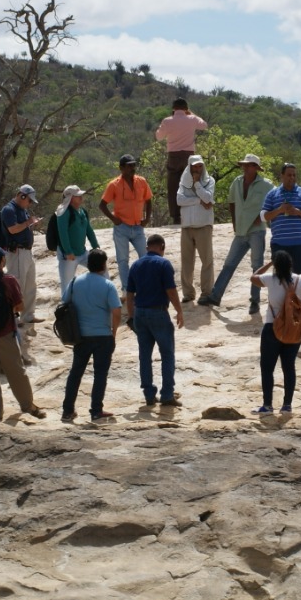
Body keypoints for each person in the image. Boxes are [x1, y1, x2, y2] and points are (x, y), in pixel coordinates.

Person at [250, 251, 301, 415]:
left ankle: (268, 405)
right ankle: (287, 405)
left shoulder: (270, 279)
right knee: (289, 367)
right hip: (294, 328)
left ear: (276, 266)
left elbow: (253, 277)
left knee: (267, 368)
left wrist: (270, 263)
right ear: (291, 265)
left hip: (272, 327)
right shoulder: (300, 280)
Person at [201, 154, 273, 315]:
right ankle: (215, 296)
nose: (245, 168)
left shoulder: (266, 185)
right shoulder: (237, 182)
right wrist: (234, 223)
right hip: (240, 231)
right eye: (244, 165)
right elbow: (232, 203)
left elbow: (275, 200)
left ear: (256, 167)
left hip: (256, 231)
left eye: (249, 165)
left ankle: (254, 302)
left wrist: (261, 216)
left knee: (257, 267)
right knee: (229, 264)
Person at [62, 248, 122, 423]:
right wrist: (114, 331)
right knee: (100, 374)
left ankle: (67, 411)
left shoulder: (74, 282)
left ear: (88, 264)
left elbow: (64, 303)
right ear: (103, 266)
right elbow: (117, 311)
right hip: (103, 335)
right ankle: (96, 411)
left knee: (75, 373)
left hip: (81, 336)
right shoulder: (108, 285)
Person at [0, 247, 46, 420]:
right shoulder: (9, 280)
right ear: (3, 260)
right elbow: (20, 306)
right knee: (16, 371)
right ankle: (28, 406)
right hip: (5, 331)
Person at [125, 234, 185, 408]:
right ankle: (167, 394)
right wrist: (179, 311)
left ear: (147, 247)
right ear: (162, 247)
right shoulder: (163, 264)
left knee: (145, 355)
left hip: (140, 314)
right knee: (167, 354)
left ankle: (149, 395)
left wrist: (131, 316)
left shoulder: (135, 265)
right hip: (158, 312)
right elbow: (171, 290)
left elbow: (129, 294)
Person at [100, 154, 152, 297]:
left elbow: (148, 200)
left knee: (145, 257)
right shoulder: (114, 184)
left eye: (133, 165)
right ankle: (126, 290)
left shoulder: (141, 181)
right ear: (121, 168)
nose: (132, 168)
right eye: (129, 166)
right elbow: (102, 205)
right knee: (123, 260)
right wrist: (113, 219)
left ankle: (145, 287)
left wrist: (147, 218)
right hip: (121, 228)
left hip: (137, 226)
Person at [155, 97, 207, 225]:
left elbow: (159, 137)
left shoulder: (167, 121)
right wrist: (191, 114)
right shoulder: (192, 119)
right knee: (191, 184)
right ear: (186, 108)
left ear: (173, 108)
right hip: (189, 156)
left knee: (173, 186)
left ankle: (176, 216)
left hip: (173, 155)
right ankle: (192, 213)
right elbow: (204, 125)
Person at [0, 184, 42, 329]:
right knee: (16, 285)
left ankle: (28, 315)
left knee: (30, 284)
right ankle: (13, 317)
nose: (29, 204)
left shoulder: (22, 210)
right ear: (22, 196)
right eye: (29, 200)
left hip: (26, 252)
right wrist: (29, 222)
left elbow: (22, 227)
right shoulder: (9, 209)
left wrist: (31, 224)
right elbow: (13, 229)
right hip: (16, 252)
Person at [261, 163, 301, 275]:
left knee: (300, 278)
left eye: (294, 175)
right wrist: (279, 210)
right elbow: (263, 216)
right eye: (289, 175)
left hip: (299, 244)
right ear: (282, 176)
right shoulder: (272, 194)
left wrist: (297, 211)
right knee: (280, 279)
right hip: (279, 244)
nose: (292, 178)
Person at [175, 154, 216, 303]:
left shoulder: (210, 181)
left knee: (206, 260)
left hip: (203, 225)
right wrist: (198, 200)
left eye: (200, 166)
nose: (197, 169)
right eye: (194, 166)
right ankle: (188, 293)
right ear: (190, 167)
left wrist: (197, 184)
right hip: (186, 226)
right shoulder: (183, 182)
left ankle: (206, 292)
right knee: (186, 261)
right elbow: (179, 200)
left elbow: (208, 198)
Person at [55, 185, 100, 297]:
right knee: (67, 285)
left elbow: (88, 229)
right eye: (78, 195)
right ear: (70, 198)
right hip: (69, 255)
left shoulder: (82, 211)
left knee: (101, 268)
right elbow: (63, 233)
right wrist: (68, 251)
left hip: (82, 252)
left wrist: (96, 247)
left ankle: (103, 296)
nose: (81, 197)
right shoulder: (63, 212)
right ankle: (66, 310)